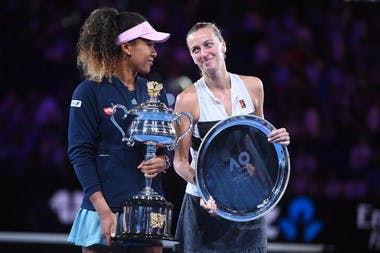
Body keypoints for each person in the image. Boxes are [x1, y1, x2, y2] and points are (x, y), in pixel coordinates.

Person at [173, 22, 290, 253]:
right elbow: (180, 162)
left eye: (208, 45)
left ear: (222, 45)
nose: (204, 53)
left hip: (247, 200)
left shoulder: (253, 86)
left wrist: (277, 139)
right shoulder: (187, 100)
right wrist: (209, 191)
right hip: (205, 207)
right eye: (196, 49)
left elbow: (257, 141)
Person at [67, 7, 172, 253]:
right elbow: (80, 153)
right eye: (149, 44)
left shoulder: (155, 92)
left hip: (149, 210)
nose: (154, 52)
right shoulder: (88, 91)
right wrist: (103, 211)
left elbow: (167, 147)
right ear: (127, 47)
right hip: (104, 210)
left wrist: (163, 162)